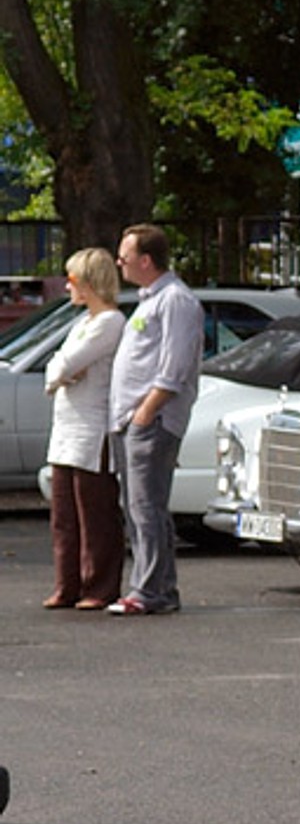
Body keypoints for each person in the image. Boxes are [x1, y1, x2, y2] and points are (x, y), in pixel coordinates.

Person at [107, 224, 204, 616]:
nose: (119, 263)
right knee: (138, 506)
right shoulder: (151, 300)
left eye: (125, 257)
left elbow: (174, 366)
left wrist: (147, 411)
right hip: (133, 418)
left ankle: (147, 590)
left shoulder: (176, 302)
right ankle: (159, 589)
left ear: (146, 260)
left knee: (146, 506)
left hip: (152, 419)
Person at [42, 247, 126, 609]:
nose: (67, 287)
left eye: (73, 280)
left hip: (93, 428)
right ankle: (68, 583)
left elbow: (68, 364)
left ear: (90, 283)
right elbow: (55, 366)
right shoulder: (82, 323)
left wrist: (63, 373)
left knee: (95, 514)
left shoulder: (110, 322)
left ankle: (100, 586)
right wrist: (61, 373)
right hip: (66, 428)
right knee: (64, 515)